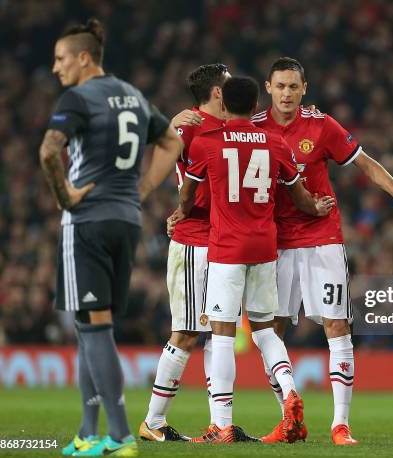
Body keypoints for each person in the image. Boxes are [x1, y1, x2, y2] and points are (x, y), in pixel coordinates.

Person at [251, 57, 393, 445]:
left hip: (321, 240)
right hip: (274, 244)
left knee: (337, 326)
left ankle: (340, 424)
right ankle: (289, 417)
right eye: (280, 86)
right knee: (271, 331)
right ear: (268, 88)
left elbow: (365, 163)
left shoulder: (320, 124)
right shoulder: (253, 130)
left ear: (304, 89)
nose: (287, 93)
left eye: (293, 87)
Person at [39, 18, 182, 457]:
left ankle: (119, 435)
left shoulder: (78, 98)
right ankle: (88, 432)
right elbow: (171, 141)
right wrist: (140, 189)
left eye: (61, 59)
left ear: (84, 57)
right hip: (126, 220)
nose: (55, 68)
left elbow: (48, 151)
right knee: (90, 326)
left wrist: (65, 196)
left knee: (96, 328)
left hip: (87, 221)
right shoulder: (134, 95)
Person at [173, 76, 335, 444]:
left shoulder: (207, 143)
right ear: (257, 103)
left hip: (226, 249)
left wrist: (181, 212)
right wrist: (317, 206)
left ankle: (222, 424)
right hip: (264, 248)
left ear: (224, 105)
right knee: (265, 330)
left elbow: (188, 195)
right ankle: (290, 390)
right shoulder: (275, 141)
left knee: (223, 335)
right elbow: (301, 197)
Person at [139, 63, 231, 443]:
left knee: (214, 334)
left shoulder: (230, 128)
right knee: (187, 332)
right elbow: (160, 155)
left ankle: (217, 424)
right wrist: (167, 123)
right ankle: (153, 422)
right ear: (216, 92)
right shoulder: (187, 128)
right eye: (228, 85)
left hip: (222, 241)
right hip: (193, 241)